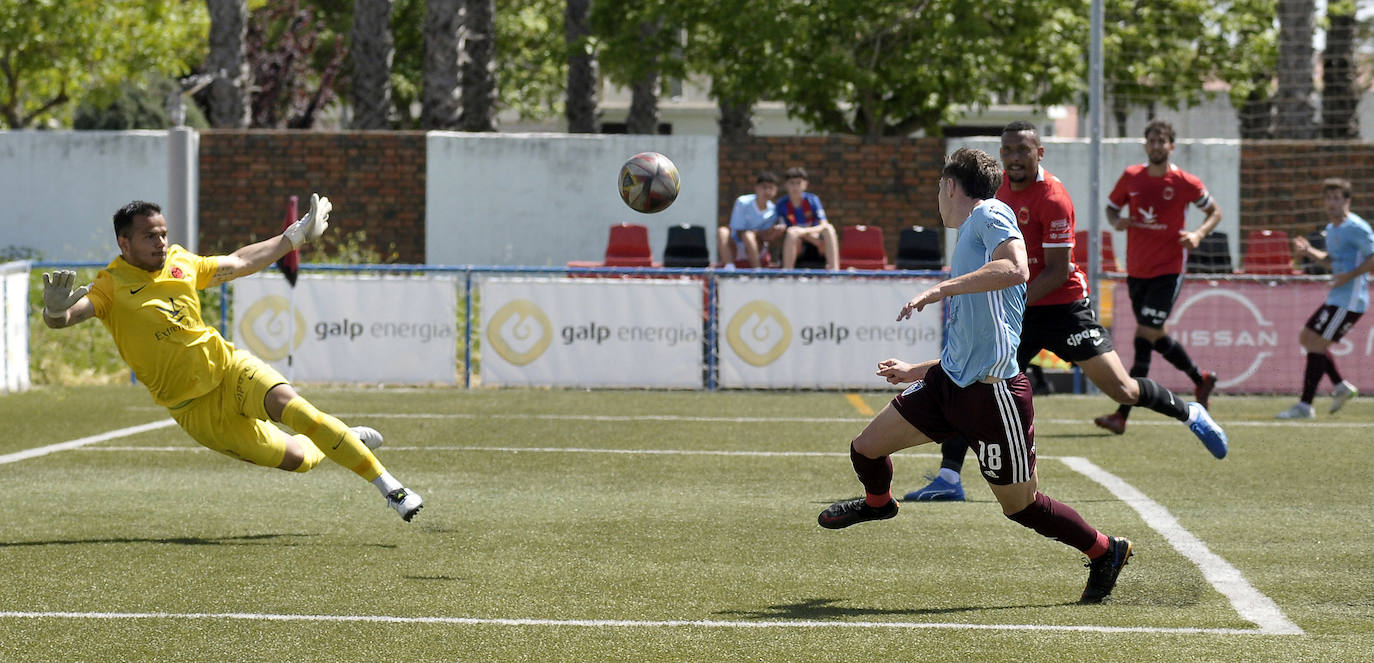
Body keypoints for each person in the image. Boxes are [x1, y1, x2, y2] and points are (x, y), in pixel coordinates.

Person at [817, 147, 1133, 604]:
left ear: (949, 186)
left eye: (937, 190)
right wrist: (916, 370)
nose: (937, 200)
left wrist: (940, 288)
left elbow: (1016, 266)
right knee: (865, 449)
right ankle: (879, 504)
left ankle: (1106, 551)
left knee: (1022, 507)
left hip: (994, 396)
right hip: (950, 386)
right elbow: (972, 342)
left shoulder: (990, 212)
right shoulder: (971, 231)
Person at [40, 197, 424, 522]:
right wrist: (55, 311)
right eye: (149, 236)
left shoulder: (180, 261)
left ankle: (392, 489)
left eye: (162, 234)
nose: (160, 242)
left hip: (228, 368)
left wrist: (294, 237)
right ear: (124, 243)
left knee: (293, 408)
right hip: (195, 410)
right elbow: (69, 316)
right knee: (297, 459)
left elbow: (238, 262)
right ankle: (342, 440)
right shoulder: (110, 285)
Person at [906, 122, 1228, 502]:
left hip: (1063, 307)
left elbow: (1059, 270)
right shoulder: (995, 195)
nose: (1014, 158)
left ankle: (1190, 413)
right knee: (973, 382)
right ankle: (949, 478)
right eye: (1007, 150)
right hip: (1019, 309)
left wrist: (1011, 300)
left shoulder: (1055, 197)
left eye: (1022, 150)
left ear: (1039, 153)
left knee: (1121, 387)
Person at [1094, 119, 1221, 435]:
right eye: (1151, 140)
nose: (1156, 146)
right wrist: (1117, 221)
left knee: (1144, 336)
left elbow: (1214, 212)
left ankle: (1122, 415)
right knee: (1153, 337)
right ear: (1145, 145)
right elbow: (1111, 208)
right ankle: (1200, 378)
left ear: (1171, 146)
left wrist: (1198, 235)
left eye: (1161, 141)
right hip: (1136, 270)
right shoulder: (1132, 177)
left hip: (1169, 269)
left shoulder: (1183, 181)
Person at [1276, 178, 1374, 418]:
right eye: (1328, 198)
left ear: (1347, 201)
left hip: (1351, 300)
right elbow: (1331, 260)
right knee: (1307, 337)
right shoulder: (1331, 230)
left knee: (1317, 344)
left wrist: (1349, 275)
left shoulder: (1357, 227)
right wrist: (1309, 251)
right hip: (1336, 297)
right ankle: (1340, 387)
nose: (1332, 203)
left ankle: (1305, 406)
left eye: (1337, 198)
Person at [774, 167, 840, 270]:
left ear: (805, 184)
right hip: (798, 245)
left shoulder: (812, 200)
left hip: (816, 246)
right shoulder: (781, 204)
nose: (795, 187)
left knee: (829, 229)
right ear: (786, 185)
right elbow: (786, 228)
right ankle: (788, 272)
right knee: (792, 233)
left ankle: (835, 271)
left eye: (798, 183)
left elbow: (823, 224)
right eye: (792, 183)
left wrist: (804, 231)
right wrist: (811, 238)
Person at [717, 171, 784, 268]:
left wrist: (775, 233)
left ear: (776, 190)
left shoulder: (774, 210)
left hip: (758, 248)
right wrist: (757, 233)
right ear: (756, 188)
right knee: (722, 231)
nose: (767, 191)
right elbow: (738, 231)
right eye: (764, 187)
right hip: (735, 246)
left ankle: (757, 271)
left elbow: (766, 238)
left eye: (771, 188)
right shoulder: (742, 202)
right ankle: (729, 267)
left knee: (748, 235)